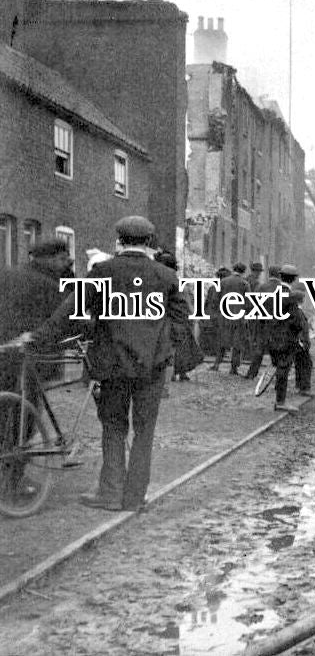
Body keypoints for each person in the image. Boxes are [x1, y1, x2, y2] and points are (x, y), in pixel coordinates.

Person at [30, 216, 188, 511]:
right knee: (144, 431)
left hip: (112, 365)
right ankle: (134, 497)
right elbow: (181, 322)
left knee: (113, 427)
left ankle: (111, 493)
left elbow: (69, 313)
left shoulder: (103, 271)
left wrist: (37, 337)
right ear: (150, 243)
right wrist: (163, 349)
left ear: (119, 241)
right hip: (151, 369)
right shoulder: (166, 276)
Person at [0, 239, 77, 496]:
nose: (67, 263)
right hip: (28, 357)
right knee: (25, 418)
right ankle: (13, 482)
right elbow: (65, 321)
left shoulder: (7, 273)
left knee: (4, 415)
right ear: (52, 258)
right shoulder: (50, 286)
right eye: (64, 258)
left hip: (2, 352)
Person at [154, 251, 202, 382]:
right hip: (177, 321)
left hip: (166, 321)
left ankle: (176, 373)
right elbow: (187, 302)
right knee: (180, 347)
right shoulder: (178, 283)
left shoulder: (156, 280)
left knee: (174, 347)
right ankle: (177, 373)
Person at [263, 287, 305, 413]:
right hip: (287, 345)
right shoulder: (295, 311)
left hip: (274, 344)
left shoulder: (277, 310)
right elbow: (299, 326)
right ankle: (280, 402)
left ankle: (279, 399)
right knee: (283, 372)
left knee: (280, 370)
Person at [210, 262, 249, 375]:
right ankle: (233, 368)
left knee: (222, 340)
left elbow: (215, 299)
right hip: (239, 316)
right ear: (243, 271)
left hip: (224, 315)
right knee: (237, 342)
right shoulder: (244, 284)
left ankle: (217, 364)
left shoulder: (223, 282)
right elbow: (248, 302)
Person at [279, 264, 312, 396]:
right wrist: (303, 340)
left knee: (286, 365)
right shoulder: (294, 304)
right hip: (293, 339)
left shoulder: (279, 293)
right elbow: (298, 324)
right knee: (303, 363)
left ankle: (282, 390)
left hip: (282, 336)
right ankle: (302, 388)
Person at [244, 264, 282, 379]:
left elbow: (253, 306)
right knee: (279, 350)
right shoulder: (283, 289)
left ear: (269, 274)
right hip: (278, 324)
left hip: (262, 323)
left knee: (259, 350)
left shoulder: (261, 287)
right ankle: (280, 377)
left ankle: (251, 374)